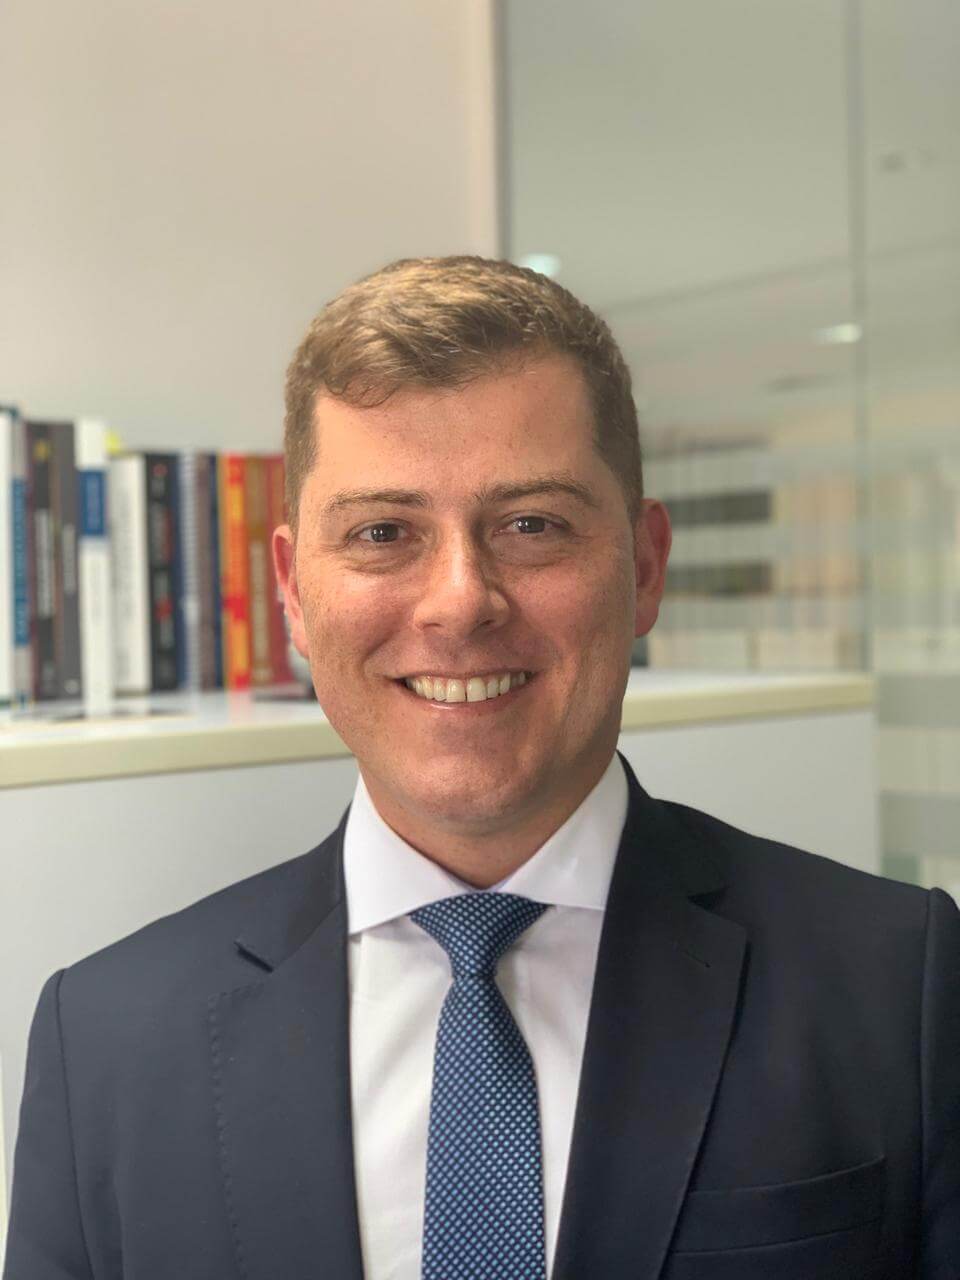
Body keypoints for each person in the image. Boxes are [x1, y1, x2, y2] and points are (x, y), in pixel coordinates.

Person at [4, 256, 958, 1280]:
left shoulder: (898, 986)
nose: (460, 602)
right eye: (382, 532)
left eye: (531, 524)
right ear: (291, 591)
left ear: (644, 567)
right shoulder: (102, 1042)